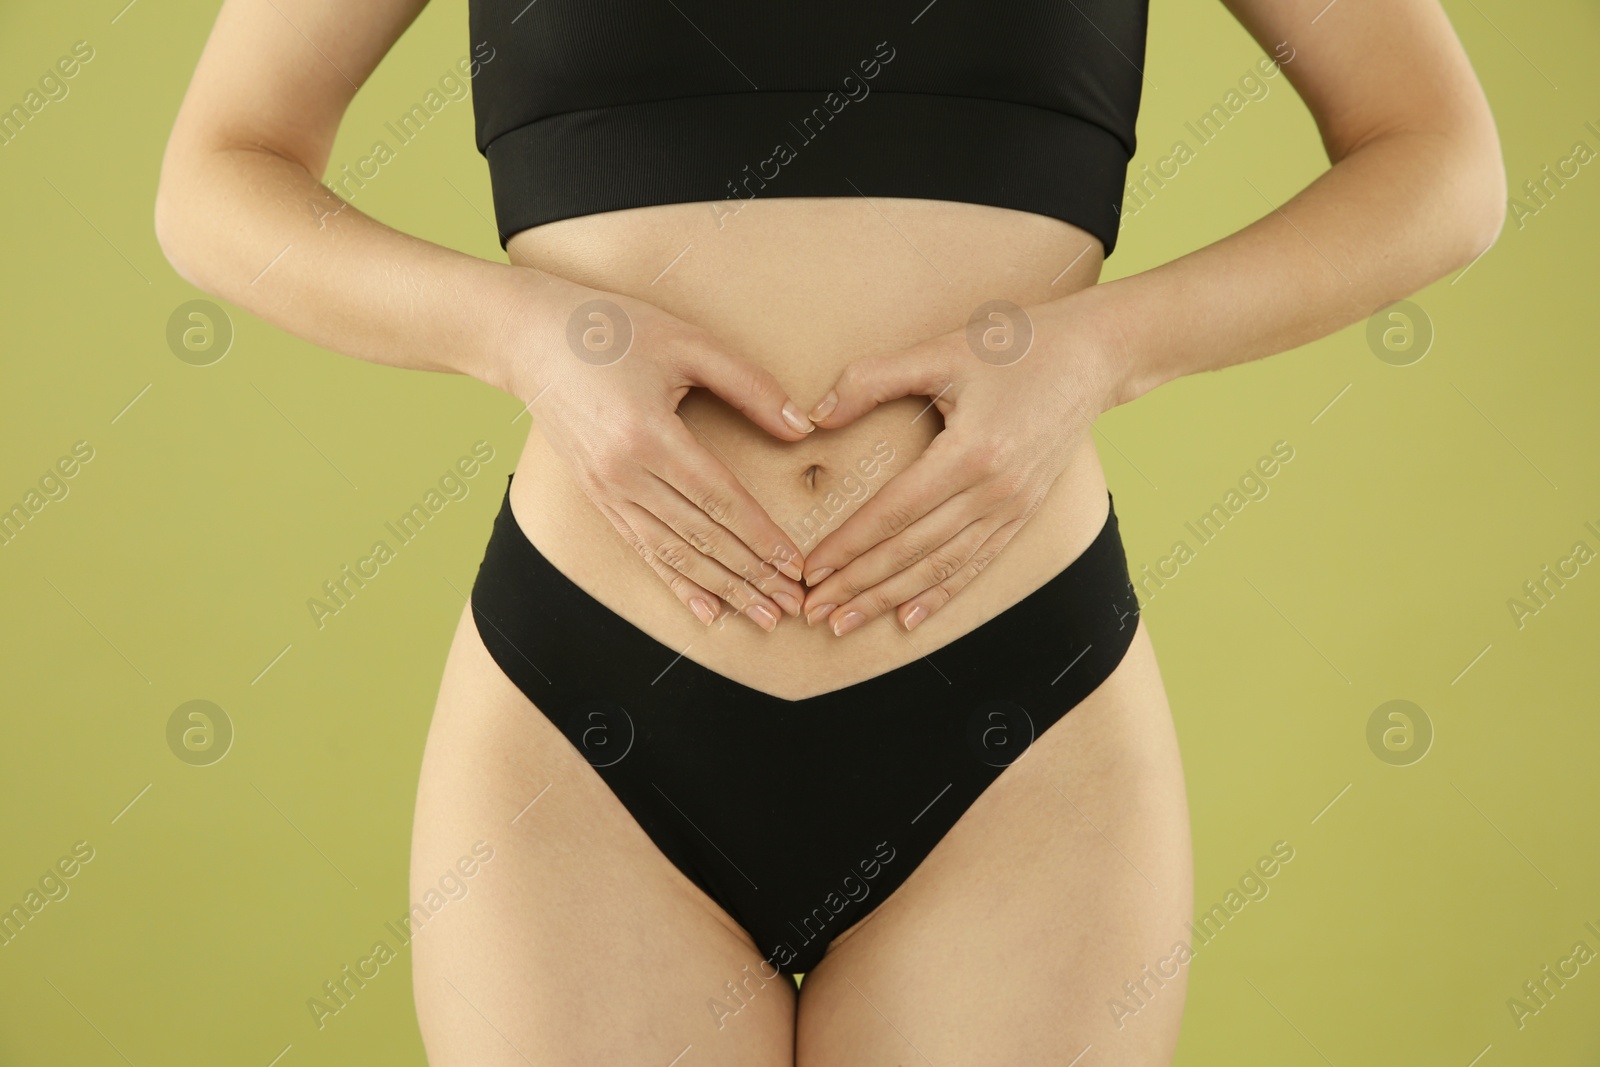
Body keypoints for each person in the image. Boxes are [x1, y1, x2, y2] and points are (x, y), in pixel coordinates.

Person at [154, 0, 1504, 1062]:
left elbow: (1441, 159)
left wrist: (1102, 351)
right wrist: (522, 335)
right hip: (588, 723)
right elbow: (217, 175)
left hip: (1016, 731)